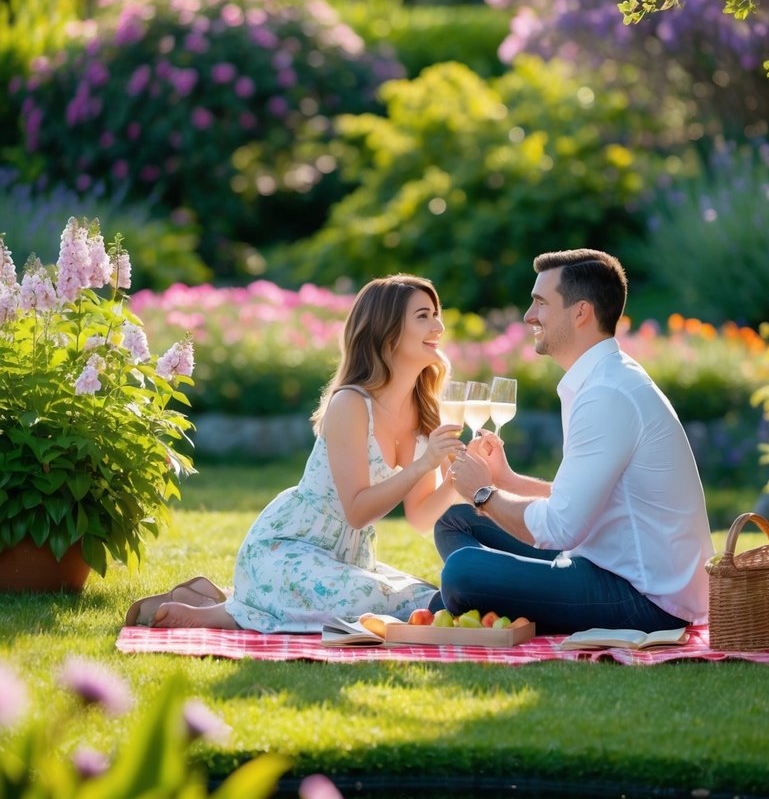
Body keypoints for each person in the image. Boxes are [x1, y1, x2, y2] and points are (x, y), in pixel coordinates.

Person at [125, 274, 465, 630]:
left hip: (349, 564)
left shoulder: (425, 412)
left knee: (428, 596)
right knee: (385, 604)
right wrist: (426, 463)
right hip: (284, 549)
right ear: (387, 331)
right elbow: (357, 511)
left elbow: (421, 516)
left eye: (436, 314)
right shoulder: (351, 403)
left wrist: (455, 480)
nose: (438, 326)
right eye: (424, 316)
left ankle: (217, 599)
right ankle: (207, 614)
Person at [440, 248, 713, 634]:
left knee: (462, 571)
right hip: (603, 565)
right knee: (456, 523)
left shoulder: (606, 393)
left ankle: (461, 601)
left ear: (580, 312)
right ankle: (479, 602)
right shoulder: (603, 378)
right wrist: (507, 481)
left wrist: (483, 493)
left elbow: (562, 527)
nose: (528, 316)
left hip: (647, 600)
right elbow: (579, 503)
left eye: (540, 303)